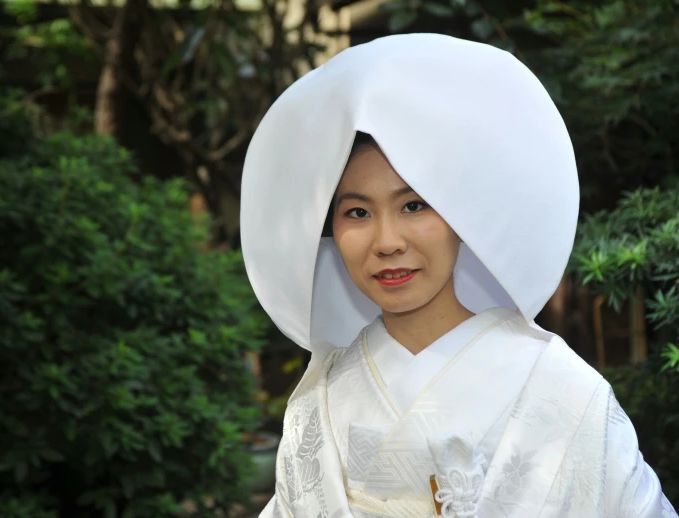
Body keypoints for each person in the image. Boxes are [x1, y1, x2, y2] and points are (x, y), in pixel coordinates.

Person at [239, 34, 676, 518]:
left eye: (413, 205)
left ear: (462, 216)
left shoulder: (563, 392)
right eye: (357, 213)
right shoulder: (317, 406)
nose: (387, 241)